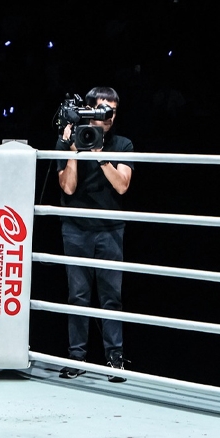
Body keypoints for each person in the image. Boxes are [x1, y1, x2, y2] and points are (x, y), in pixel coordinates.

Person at [54, 87, 134, 382]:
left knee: (112, 297)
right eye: (102, 110)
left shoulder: (123, 144)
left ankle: (115, 359)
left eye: (112, 112)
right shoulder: (67, 141)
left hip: (110, 230)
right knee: (78, 296)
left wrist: (101, 157)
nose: (107, 117)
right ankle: (76, 357)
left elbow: (122, 185)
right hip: (76, 229)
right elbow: (68, 187)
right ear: (88, 111)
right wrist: (74, 150)